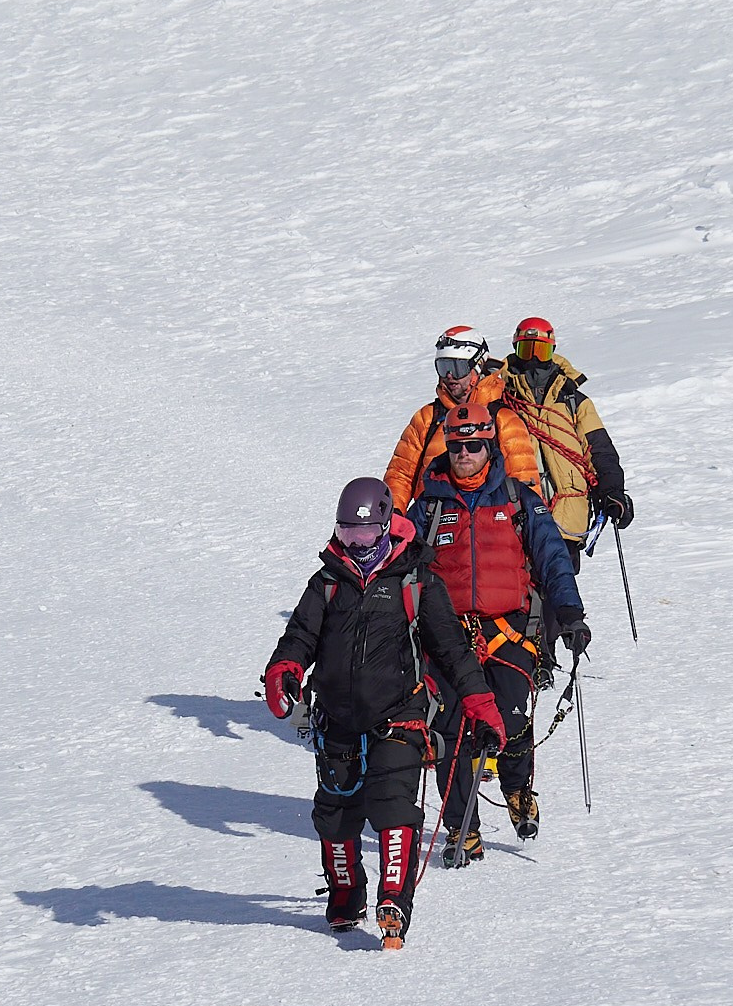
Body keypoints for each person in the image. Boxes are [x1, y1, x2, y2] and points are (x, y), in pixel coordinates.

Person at [263, 477, 505, 948]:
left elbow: (454, 652)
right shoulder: (328, 581)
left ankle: (394, 898)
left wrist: (480, 703)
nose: (357, 544)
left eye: (367, 534)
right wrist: (285, 669)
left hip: (401, 714)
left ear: (387, 527)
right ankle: (346, 892)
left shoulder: (416, 581)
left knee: (393, 805)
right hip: (336, 717)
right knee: (334, 815)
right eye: (347, 533)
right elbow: (299, 636)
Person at [405, 405, 588, 863]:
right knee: (451, 729)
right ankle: (461, 827)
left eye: (473, 446)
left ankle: (517, 788)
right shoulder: (426, 507)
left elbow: (552, 559)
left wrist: (569, 613)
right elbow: (398, 568)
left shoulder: (519, 500)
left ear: (490, 446)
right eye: (456, 445)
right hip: (445, 636)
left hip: (509, 632)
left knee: (508, 716)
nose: (464, 454)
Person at [501, 317, 633, 571]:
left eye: (541, 351)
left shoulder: (574, 400)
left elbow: (600, 450)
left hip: (567, 517)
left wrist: (612, 491)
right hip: (515, 517)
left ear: (552, 350)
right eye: (526, 350)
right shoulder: (500, 396)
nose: (534, 360)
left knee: (560, 597)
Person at [383, 326, 541, 513]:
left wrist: (530, 524)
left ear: (477, 366)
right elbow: (401, 474)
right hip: (432, 526)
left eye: (457, 367)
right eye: (443, 367)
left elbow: (524, 481)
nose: (449, 376)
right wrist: (394, 516)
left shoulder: (503, 419)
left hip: (490, 524)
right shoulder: (427, 418)